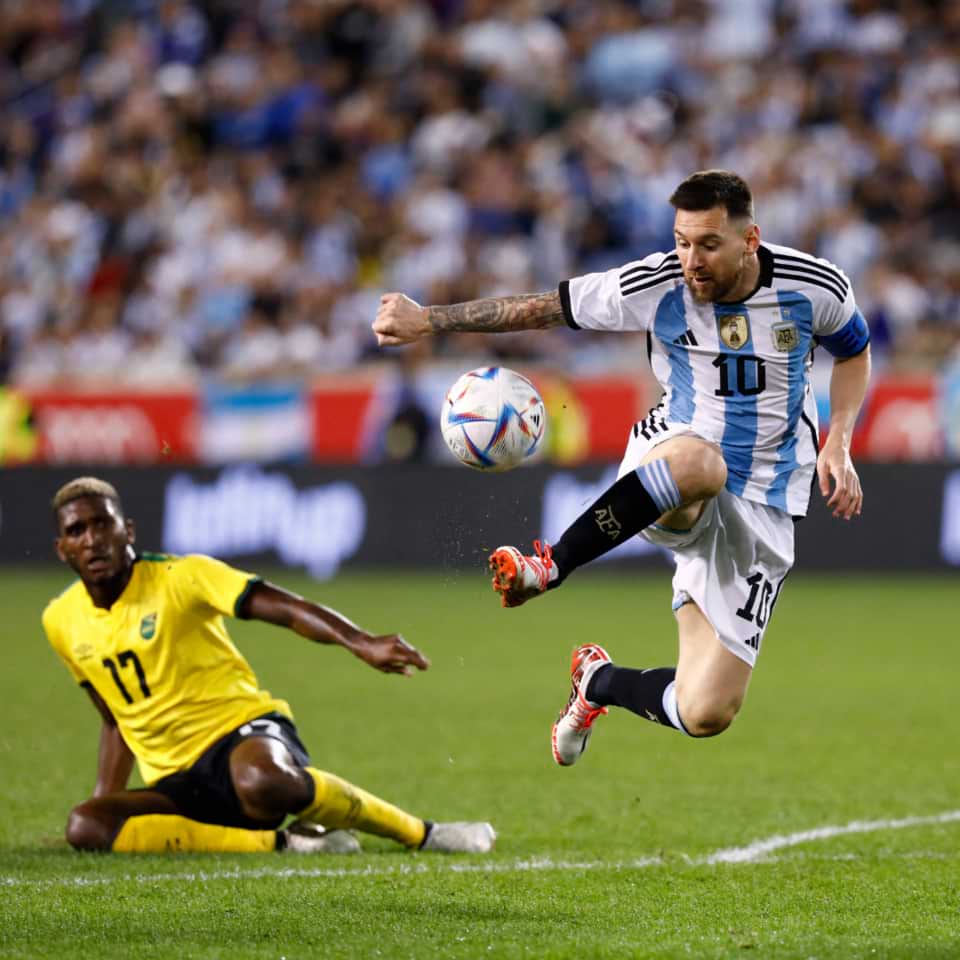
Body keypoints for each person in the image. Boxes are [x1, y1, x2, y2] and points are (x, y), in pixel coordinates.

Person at [373, 169, 870, 766]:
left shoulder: (814, 286)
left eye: (709, 244)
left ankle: (596, 684)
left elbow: (853, 350)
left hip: (766, 500)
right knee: (701, 463)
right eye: (684, 242)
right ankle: (549, 564)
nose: (692, 259)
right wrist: (429, 320)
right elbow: (542, 309)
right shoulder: (657, 285)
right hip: (674, 462)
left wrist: (837, 440)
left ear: (750, 240)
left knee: (705, 711)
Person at [44, 476, 495, 854]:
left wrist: (359, 642)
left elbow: (285, 607)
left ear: (128, 529)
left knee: (262, 778)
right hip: (174, 780)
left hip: (242, 735)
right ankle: (290, 844)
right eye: (78, 530)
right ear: (63, 548)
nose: (92, 539)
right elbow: (115, 719)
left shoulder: (182, 577)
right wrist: (107, 801)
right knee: (86, 825)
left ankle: (425, 833)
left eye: (102, 524)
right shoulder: (61, 621)